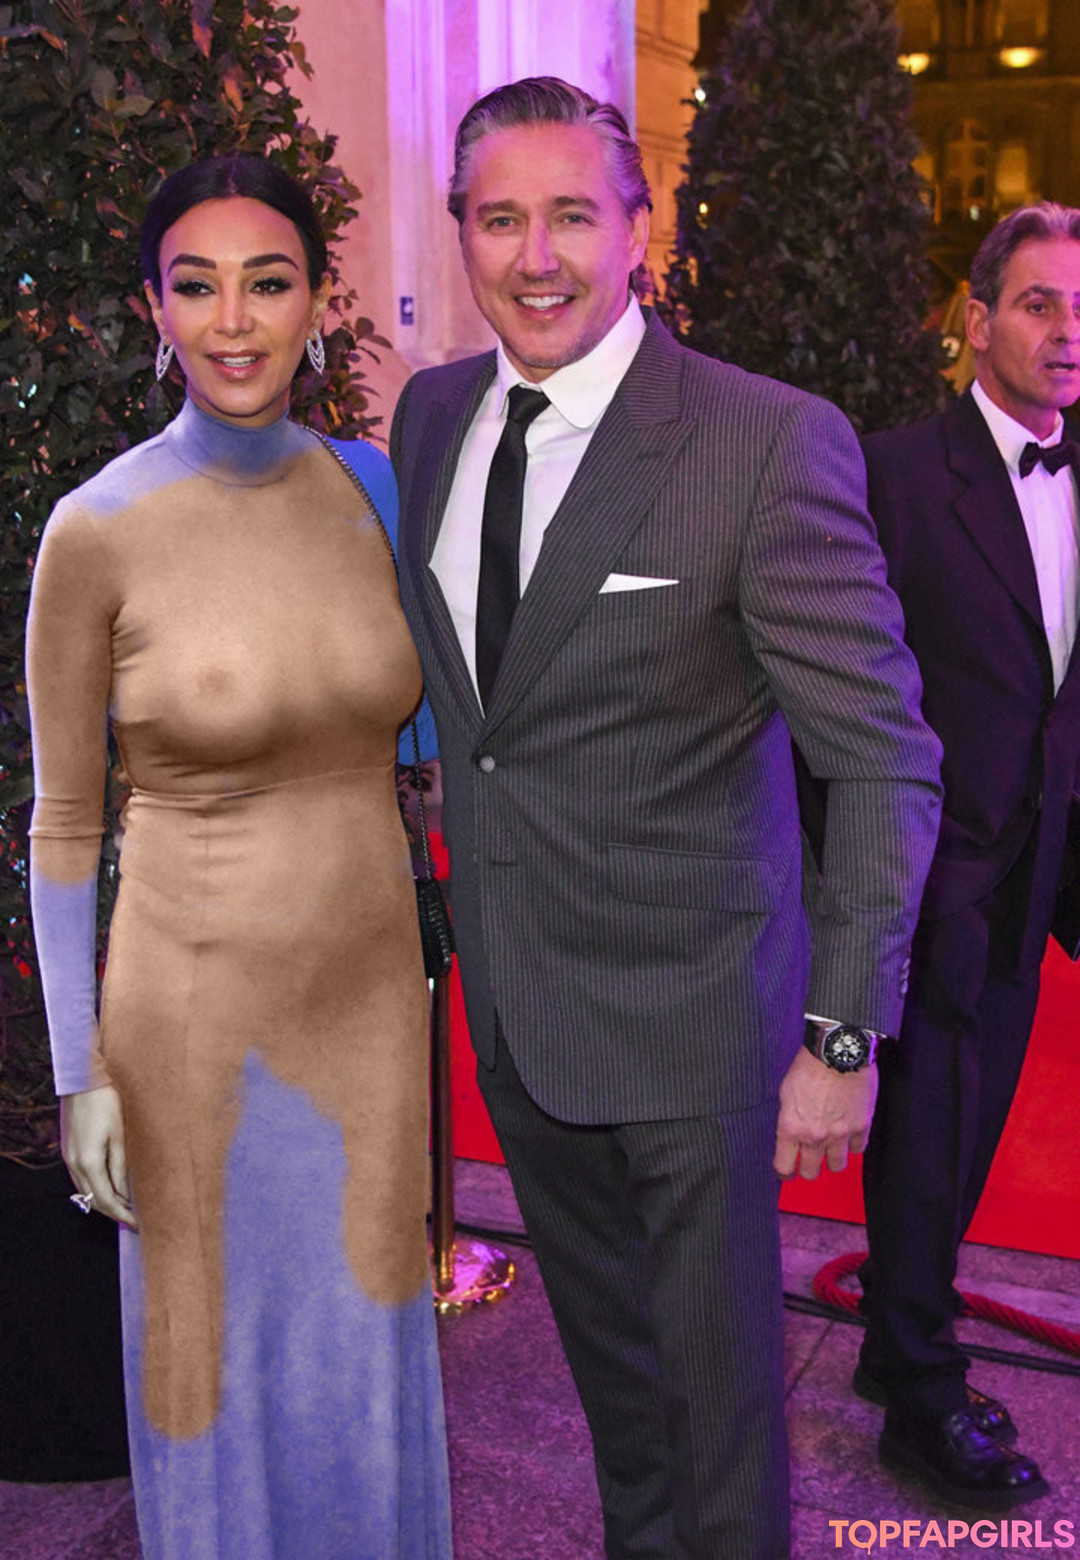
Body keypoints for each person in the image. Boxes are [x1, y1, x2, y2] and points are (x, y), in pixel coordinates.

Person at [390, 77, 942, 1559]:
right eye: (500, 219)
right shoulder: (432, 417)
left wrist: (841, 1037)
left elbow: (883, 758)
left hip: (696, 1028)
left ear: (642, 229)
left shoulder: (762, 442)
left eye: (574, 214)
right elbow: (483, 721)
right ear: (460, 231)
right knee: (620, 1405)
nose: (537, 257)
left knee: (717, 1430)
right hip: (517, 1007)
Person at [26, 155, 452, 1560]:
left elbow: (441, 730)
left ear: (318, 299)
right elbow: (65, 824)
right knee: (208, 1356)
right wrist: (80, 1071)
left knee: (366, 1336)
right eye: (195, 286)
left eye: (267, 283)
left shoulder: (376, 489)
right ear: (153, 309)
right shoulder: (96, 529)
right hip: (192, 1018)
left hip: (372, 1002)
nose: (233, 321)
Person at [857, 201, 1080, 1510]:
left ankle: (907, 1348)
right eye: (1042, 303)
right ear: (979, 319)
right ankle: (919, 1391)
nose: (1069, 332)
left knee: (971, 1129)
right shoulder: (895, 474)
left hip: (1036, 870)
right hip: (929, 872)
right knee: (926, 1136)